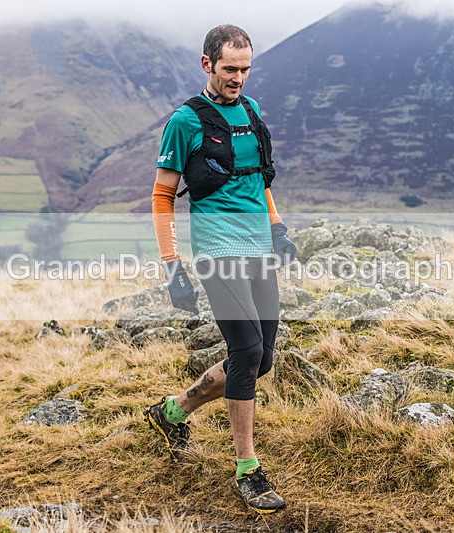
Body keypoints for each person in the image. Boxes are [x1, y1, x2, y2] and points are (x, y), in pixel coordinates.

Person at [144, 24, 296, 515]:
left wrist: (276, 227)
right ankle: (247, 470)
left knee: (262, 360)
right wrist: (173, 266)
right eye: (230, 68)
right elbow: (162, 195)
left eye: (246, 68)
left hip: (258, 250)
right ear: (206, 63)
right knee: (247, 350)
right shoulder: (185, 122)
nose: (239, 78)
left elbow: (257, 179)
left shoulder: (250, 112)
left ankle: (173, 410)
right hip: (217, 250)